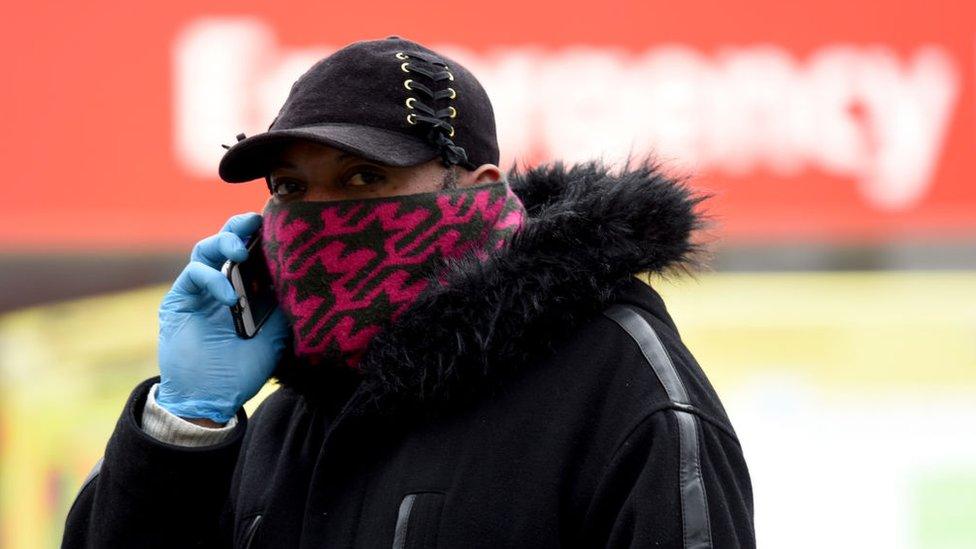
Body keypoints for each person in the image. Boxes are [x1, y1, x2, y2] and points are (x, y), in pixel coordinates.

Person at [61, 36, 755, 548]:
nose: (321, 214)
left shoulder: (616, 383)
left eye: (364, 178)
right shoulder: (278, 422)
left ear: (482, 194)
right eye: (292, 188)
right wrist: (184, 426)